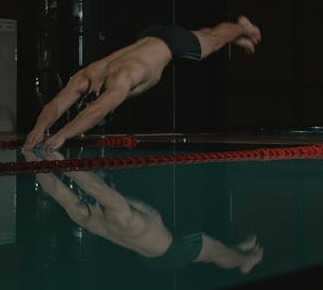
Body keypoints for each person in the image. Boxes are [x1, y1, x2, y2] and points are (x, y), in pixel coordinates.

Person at [24, 16, 262, 150]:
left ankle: (243, 27)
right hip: (150, 35)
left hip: (171, 45)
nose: (110, 107)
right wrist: (38, 128)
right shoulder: (85, 77)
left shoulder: (119, 81)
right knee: (206, 35)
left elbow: (96, 110)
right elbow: (54, 106)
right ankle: (238, 38)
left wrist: (62, 135)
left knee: (215, 40)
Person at [23, 148, 264, 272]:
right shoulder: (117, 211)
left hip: (151, 256)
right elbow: (96, 187)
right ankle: (245, 260)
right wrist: (61, 160)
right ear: (109, 186)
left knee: (211, 254)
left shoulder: (83, 214)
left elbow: (54, 188)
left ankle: (235, 252)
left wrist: (32, 156)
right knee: (212, 249)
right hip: (171, 250)